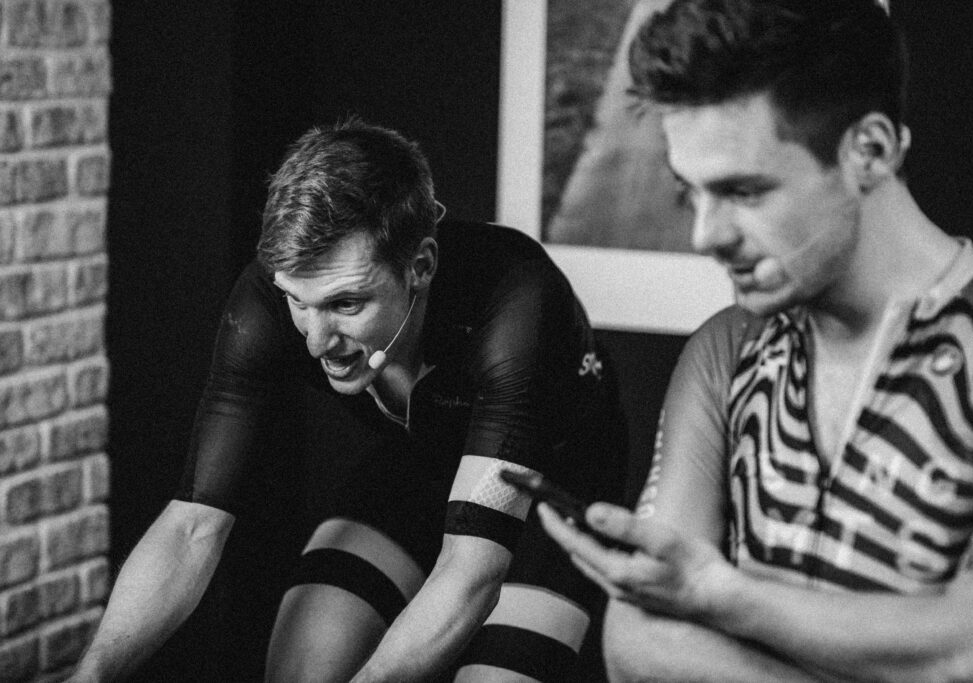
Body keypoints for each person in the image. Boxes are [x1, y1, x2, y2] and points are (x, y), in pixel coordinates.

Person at [539, 1, 973, 681]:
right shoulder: (724, 348)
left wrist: (722, 598)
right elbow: (637, 644)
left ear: (870, 151)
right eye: (690, 193)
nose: (706, 235)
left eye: (743, 191)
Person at [70, 119, 627, 682]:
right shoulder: (272, 299)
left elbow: (472, 572)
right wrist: (89, 675)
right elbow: (192, 525)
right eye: (298, 302)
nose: (316, 342)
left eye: (347, 305)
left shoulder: (516, 300)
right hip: (419, 469)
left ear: (420, 266)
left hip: (550, 496)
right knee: (302, 669)